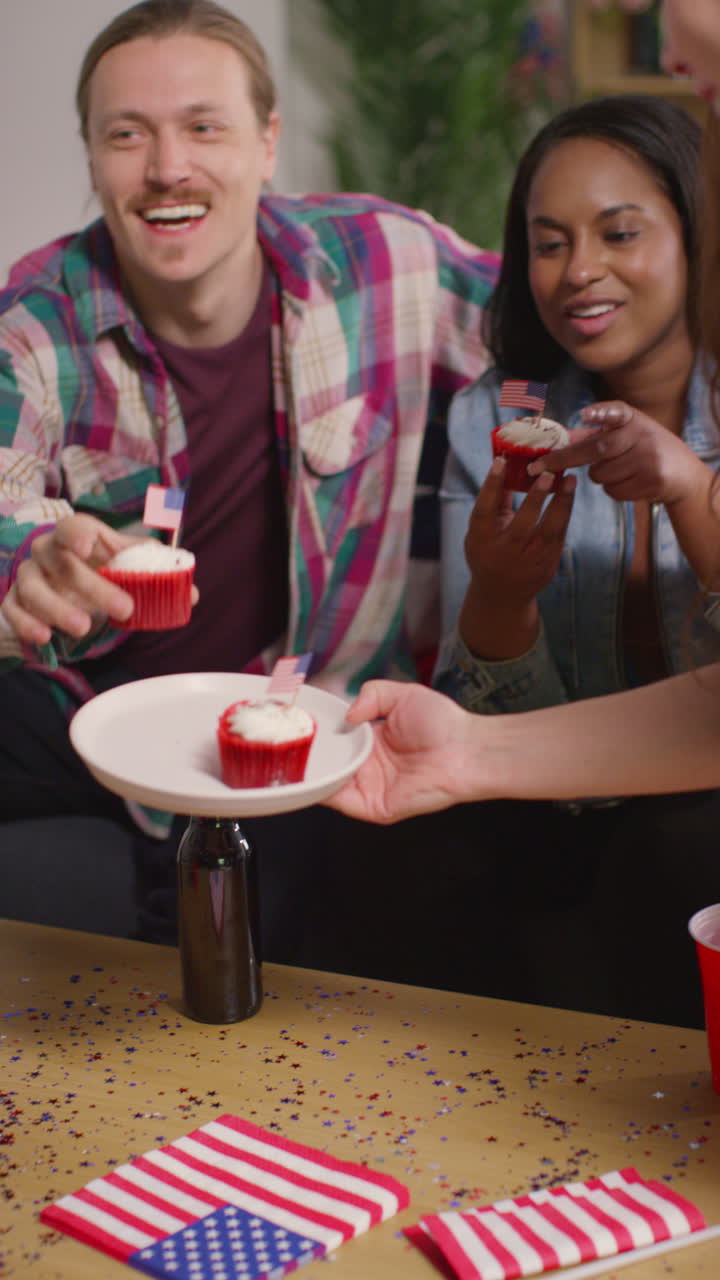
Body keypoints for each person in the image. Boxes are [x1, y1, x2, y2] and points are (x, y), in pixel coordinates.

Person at [0, 0, 498, 952]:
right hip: (88, 727)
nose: (167, 168)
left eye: (204, 127)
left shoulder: (388, 262)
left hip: (316, 717)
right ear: (92, 158)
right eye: (127, 135)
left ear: (268, 144)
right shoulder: (33, 322)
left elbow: (568, 324)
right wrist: (32, 559)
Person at [330, 85, 720, 1026]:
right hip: (552, 792)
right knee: (388, 851)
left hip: (694, 803)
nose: (579, 270)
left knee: (673, 847)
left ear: (697, 238)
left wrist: (688, 487)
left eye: (619, 233)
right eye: (549, 244)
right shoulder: (494, 420)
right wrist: (501, 601)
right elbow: (500, 722)